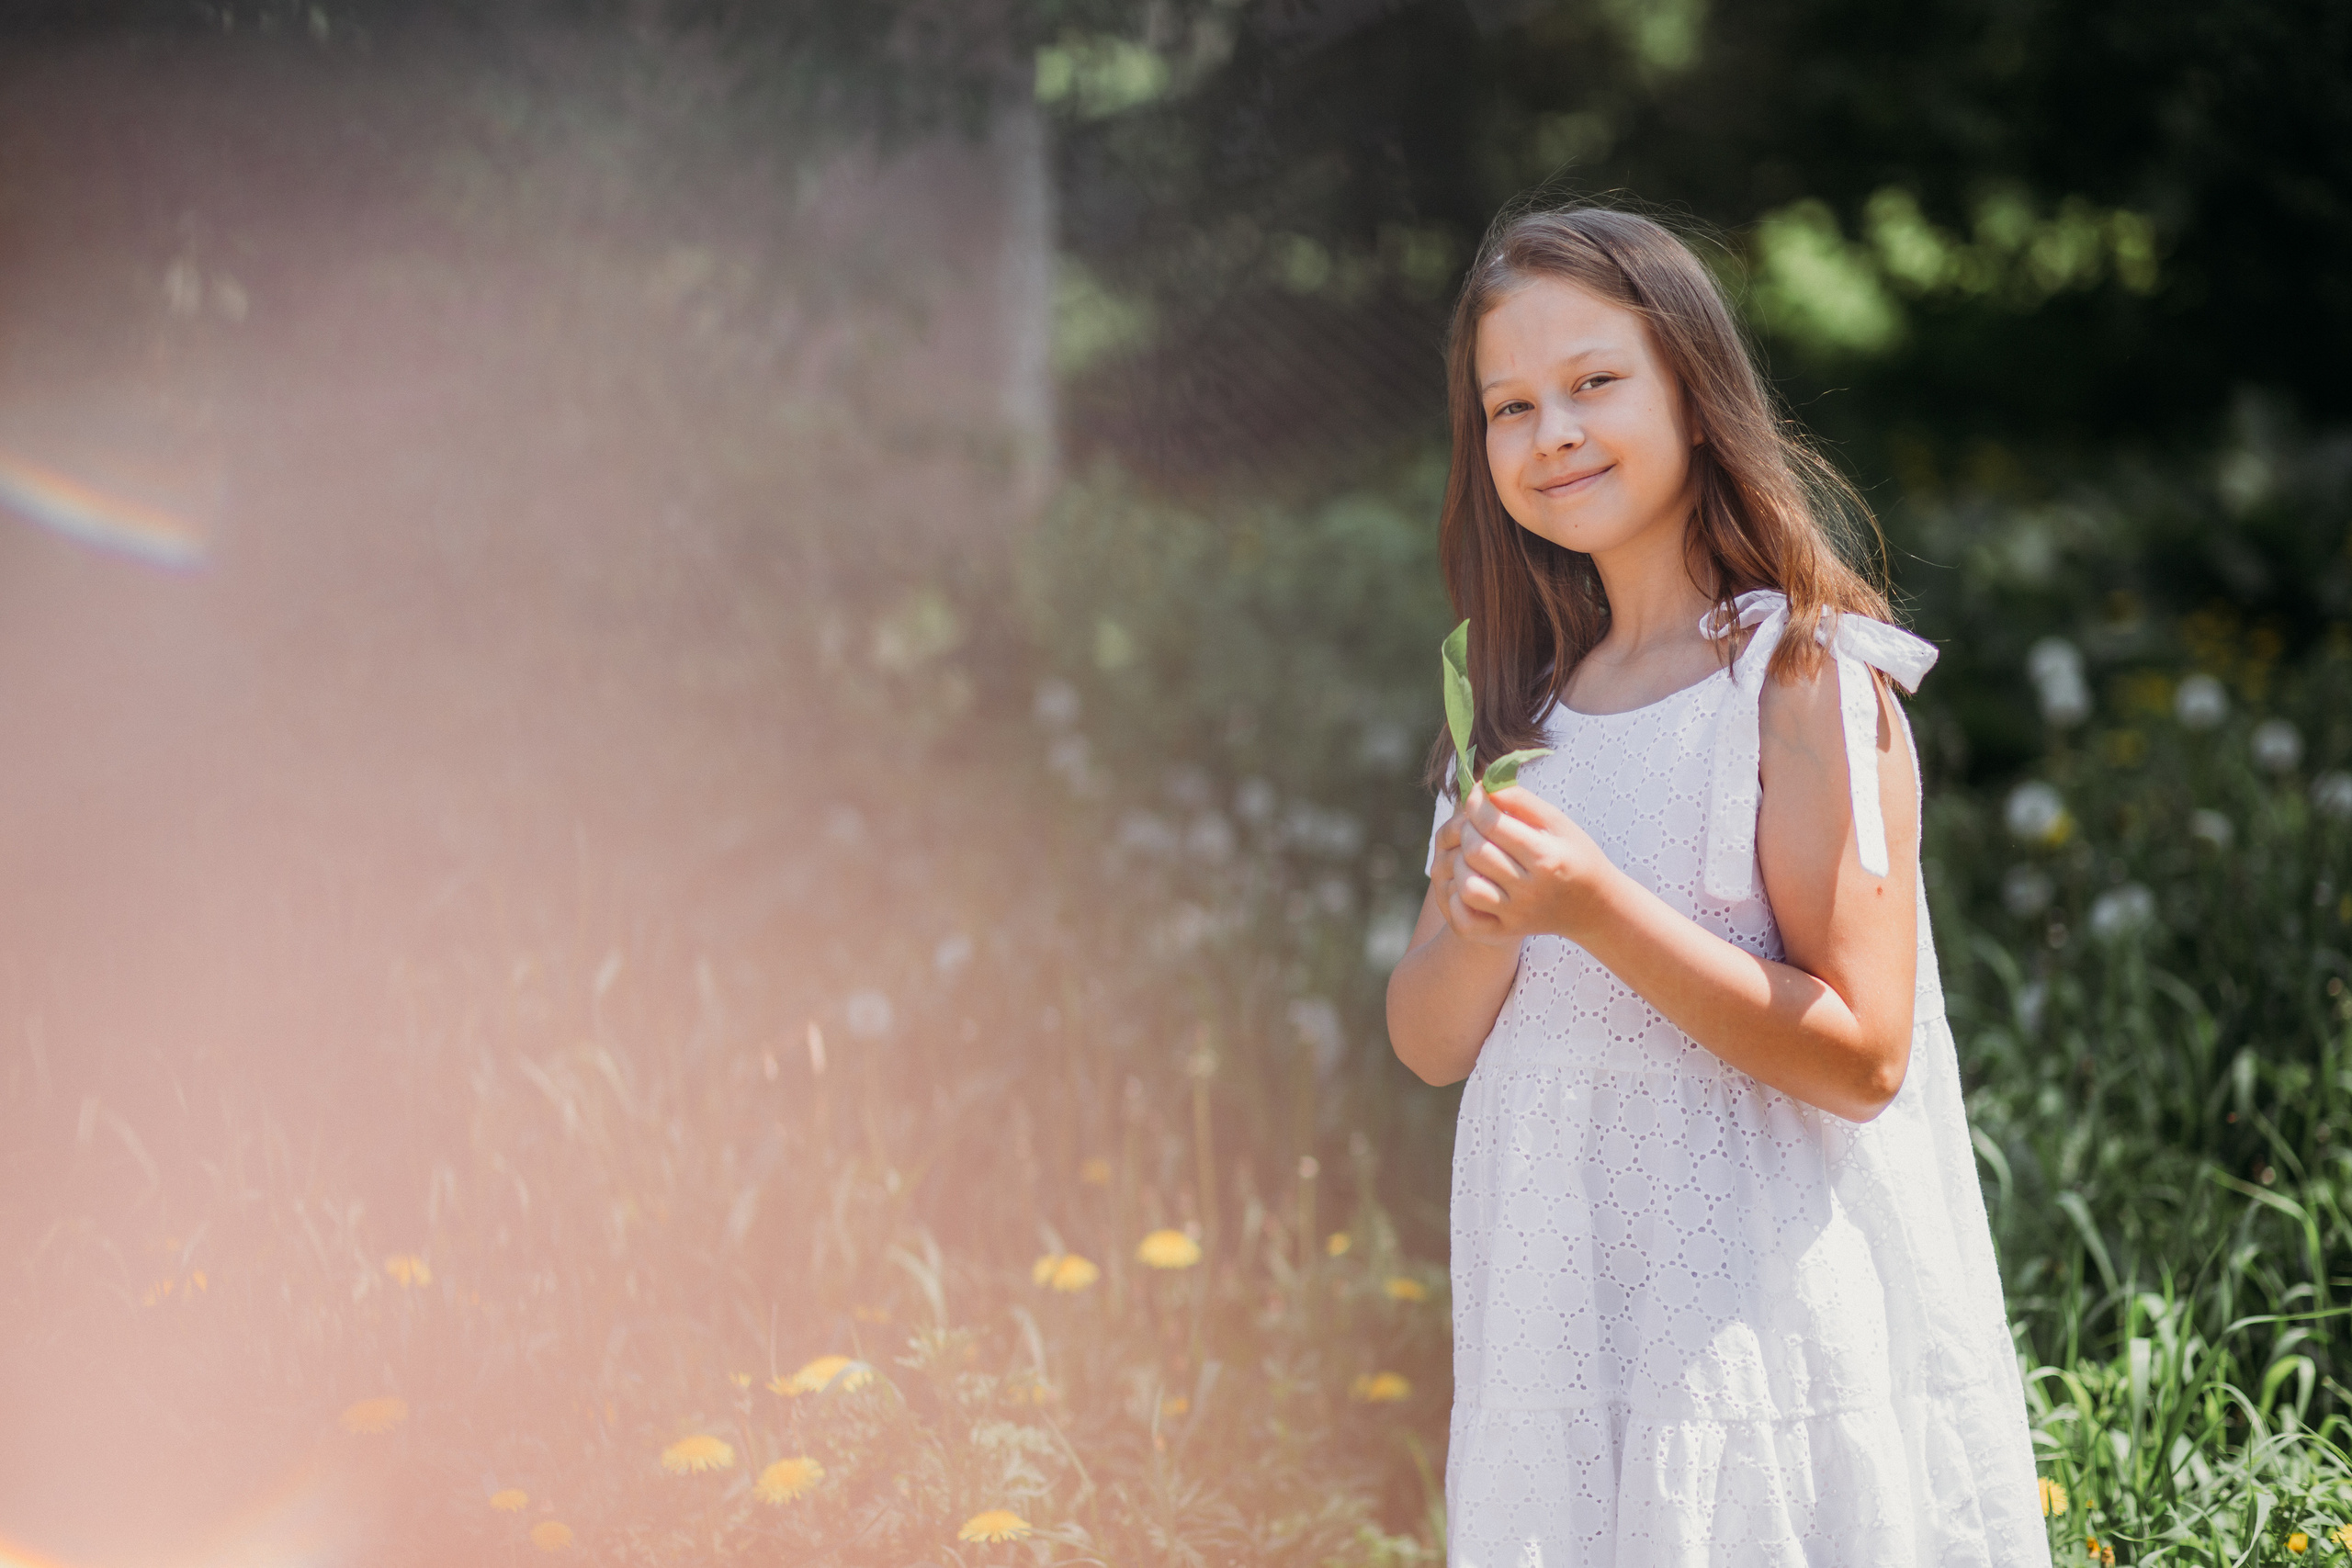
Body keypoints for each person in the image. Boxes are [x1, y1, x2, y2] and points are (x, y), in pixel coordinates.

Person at [1385, 206, 2050, 1567]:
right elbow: (1432, 1042)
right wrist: (1472, 912)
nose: (1551, 430)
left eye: (1593, 383)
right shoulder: (1512, 719)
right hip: (1564, 1325)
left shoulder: (1798, 681)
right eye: (1509, 406)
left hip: (1749, 1320)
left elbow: (1863, 1056)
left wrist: (1593, 908)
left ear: (1693, 386)